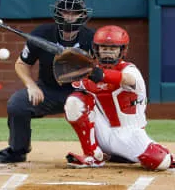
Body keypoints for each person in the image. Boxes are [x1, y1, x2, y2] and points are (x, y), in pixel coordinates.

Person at [0, 0, 94, 163]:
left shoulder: (91, 38)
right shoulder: (42, 33)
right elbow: (21, 63)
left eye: (74, 13)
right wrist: (31, 85)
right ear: (57, 13)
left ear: (82, 15)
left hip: (80, 92)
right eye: (65, 12)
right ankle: (18, 149)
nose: (69, 16)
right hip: (47, 90)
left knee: (105, 107)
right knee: (17, 104)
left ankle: (106, 150)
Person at [64, 25, 175, 170]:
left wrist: (101, 75)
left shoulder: (130, 70)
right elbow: (75, 94)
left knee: (160, 162)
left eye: (113, 49)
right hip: (103, 132)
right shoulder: (89, 72)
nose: (108, 52)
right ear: (96, 49)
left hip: (130, 133)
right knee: (74, 101)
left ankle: (162, 154)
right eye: (104, 48)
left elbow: (127, 79)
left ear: (122, 50)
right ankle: (93, 156)